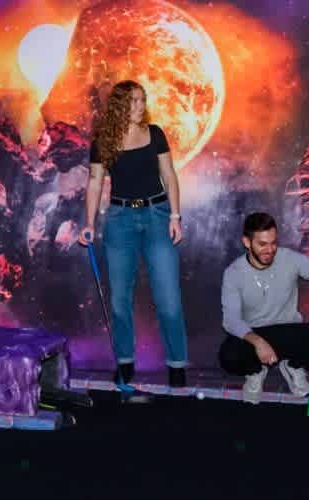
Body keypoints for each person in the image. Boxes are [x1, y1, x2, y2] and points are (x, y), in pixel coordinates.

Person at [78, 80, 189, 387]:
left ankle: (177, 364)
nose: (141, 106)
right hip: (119, 219)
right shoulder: (104, 140)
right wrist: (88, 223)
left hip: (157, 215)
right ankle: (125, 362)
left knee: (168, 299)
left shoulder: (155, 134)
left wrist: (176, 215)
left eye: (142, 100)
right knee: (119, 300)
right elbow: (95, 182)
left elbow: (169, 174)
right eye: (134, 101)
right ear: (120, 106)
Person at [218, 213, 309, 404]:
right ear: (247, 242)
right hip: (255, 334)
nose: (269, 250)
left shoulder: (290, 258)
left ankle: (293, 365)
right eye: (262, 244)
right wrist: (258, 342)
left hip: (289, 332)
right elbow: (231, 320)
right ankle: (255, 372)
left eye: (273, 242)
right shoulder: (233, 272)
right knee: (228, 355)